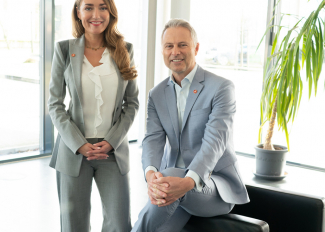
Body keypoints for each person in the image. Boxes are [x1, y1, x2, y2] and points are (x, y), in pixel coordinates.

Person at [131, 18, 249, 232]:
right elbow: (152, 140)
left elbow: (214, 143)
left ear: (195, 47)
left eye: (182, 45)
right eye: (169, 46)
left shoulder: (221, 88)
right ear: (163, 51)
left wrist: (185, 182)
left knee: (170, 179)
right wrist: (151, 176)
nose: (175, 51)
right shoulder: (156, 94)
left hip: (212, 186)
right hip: (171, 189)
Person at [47, 0, 138, 231]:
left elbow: (132, 103)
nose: (96, 14)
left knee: (119, 224)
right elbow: (55, 104)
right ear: (78, 12)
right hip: (73, 150)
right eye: (88, 7)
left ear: (111, 12)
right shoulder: (64, 50)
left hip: (113, 151)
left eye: (103, 7)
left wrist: (111, 141)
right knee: (73, 224)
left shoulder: (125, 50)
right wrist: (79, 144)